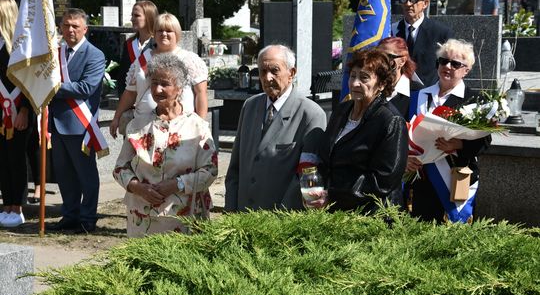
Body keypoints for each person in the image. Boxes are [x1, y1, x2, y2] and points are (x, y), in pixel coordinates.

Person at [113, 53, 217, 237]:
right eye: (154, 83)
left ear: (179, 88)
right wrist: (138, 187)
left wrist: (177, 184)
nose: (158, 89)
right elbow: (120, 168)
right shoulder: (137, 125)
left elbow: (210, 171)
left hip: (185, 218)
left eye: (165, 84)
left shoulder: (196, 126)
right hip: (142, 218)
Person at [225, 44, 327, 211]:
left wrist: (280, 219)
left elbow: (308, 176)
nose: (267, 77)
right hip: (243, 217)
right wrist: (230, 211)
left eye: (274, 70)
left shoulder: (311, 114)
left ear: (291, 73)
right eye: (262, 71)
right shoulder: (250, 106)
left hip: (281, 220)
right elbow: (235, 167)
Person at [307, 48, 408, 212]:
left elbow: (382, 180)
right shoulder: (342, 110)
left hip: (371, 217)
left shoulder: (390, 121)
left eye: (364, 78)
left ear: (381, 84)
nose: (355, 83)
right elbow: (327, 157)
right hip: (334, 210)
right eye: (353, 76)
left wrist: (333, 195)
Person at [407, 39, 491, 223]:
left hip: (456, 177)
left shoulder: (475, 100)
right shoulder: (420, 96)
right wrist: (408, 156)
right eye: (443, 61)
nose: (448, 66)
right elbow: (405, 132)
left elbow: (485, 140)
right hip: (424, 179)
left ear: (466, 70)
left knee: (455, 237)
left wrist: (458, 144)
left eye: (455, 64)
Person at [47, 8, 106, 234]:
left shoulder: (94, 55)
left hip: (80, 125)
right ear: (61, 27)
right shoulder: (56, 53)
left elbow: (85, 87)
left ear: (85, 29)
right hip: (57, 123)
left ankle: (88, 217)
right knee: (64, 174)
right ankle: (70, 214)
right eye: (66, 25)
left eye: (75, 26)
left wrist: (53, 88)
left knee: (85, 174)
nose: (70, 30)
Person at [109, 13, 208, 138]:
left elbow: (201, 93)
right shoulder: (143, 59)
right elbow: (130, 93)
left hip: (180, 128)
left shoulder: (189, 59)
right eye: (160, 30)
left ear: (176, 34)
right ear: (154, 34)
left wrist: (201, 125)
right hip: (143, 127)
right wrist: (116, 117)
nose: (164, 34)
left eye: (169, 30)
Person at [0, 0, 34, 228]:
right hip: (1, 113)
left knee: (17, 159)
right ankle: (6, 203)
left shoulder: (21, 48)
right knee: (2, 160)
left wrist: (24, 110)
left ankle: (18, 206)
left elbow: (30, 83)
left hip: (19, 112)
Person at [392, 0, 453, 87]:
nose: (408, 4)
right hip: (397, 95)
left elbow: (449, 68)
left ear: (425, 3)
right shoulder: (392, 31)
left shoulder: (441, 33)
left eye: (414, 0)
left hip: (427, 94)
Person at [112, 0, 158, 96]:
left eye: (136, 15)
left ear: (149, 18)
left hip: (150, 98)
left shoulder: (157, 44)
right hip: (129, 100)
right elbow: (122, 76)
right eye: (132, 15)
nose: (132, 19)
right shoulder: (128, 44)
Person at [378, 36, 423, 118]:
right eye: (377, 56)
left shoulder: (418, 92)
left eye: (386, 57)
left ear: (402, 61)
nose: (380, 62)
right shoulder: (372, 87)